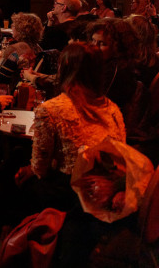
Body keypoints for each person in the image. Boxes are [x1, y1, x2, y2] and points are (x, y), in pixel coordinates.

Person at [14, 44, 126, 210]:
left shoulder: (51, 109)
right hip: (106, 190)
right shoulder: (112, 109)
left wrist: (31, 169)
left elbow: (40, 167)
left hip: (68, 192)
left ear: (63, 70)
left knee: (16, 173)